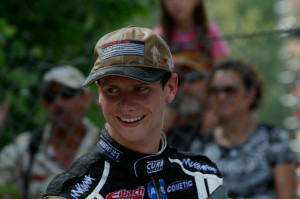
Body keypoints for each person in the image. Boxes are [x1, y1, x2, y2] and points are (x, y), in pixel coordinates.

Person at [42, 26, 227, 199]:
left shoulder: (205, 179)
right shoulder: (72, 193)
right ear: (100, 94)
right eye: (112, 91)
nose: (126, 105)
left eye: (140, 89)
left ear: (170, 88)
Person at [198, 59, 299, 199]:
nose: (221, 97)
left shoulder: (273, 139)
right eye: (215, 91)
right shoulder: (202, 145)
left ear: (251, 94)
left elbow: (287, 196)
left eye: (230, 90)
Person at [0, 66, 100, 199]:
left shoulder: (106, 146)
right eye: (50, 96)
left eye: (67, 94)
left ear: (86, 99)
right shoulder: (26, 148)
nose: (58, 103)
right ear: (43, 104)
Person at [153, 0, 228, 152]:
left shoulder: (210, 33)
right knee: (159, 127)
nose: (176, 3)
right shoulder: (159, 37)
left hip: (205, 100)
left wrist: (213, 109)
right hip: (173, 100)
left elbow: (222, 72)